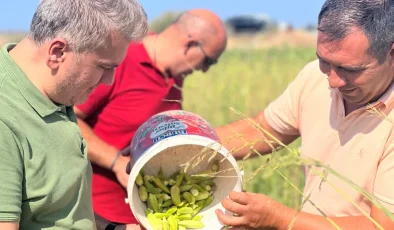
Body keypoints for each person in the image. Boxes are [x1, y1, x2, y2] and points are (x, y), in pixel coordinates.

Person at [211, 0, 394, 229]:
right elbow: (263, 130)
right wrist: (192, 144)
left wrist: (278, 218)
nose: (333, 81)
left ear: (391, 53)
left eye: (350, 70)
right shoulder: (314, 78)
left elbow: (383, 225)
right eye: (324, 61)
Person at [73, 9, 227, 228]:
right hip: (98, 217)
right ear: (190, 44)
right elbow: (68, 120)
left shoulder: (174, 78)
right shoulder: (121, 59)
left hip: (147, 218)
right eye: (208, 61)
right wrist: (116, 162)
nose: (203, 70)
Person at [0, 0, 147, 230]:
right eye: (104, 66)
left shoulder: (55, 92)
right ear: (58, 52)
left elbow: (60, 214)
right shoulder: (6, 118)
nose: (109, 81)